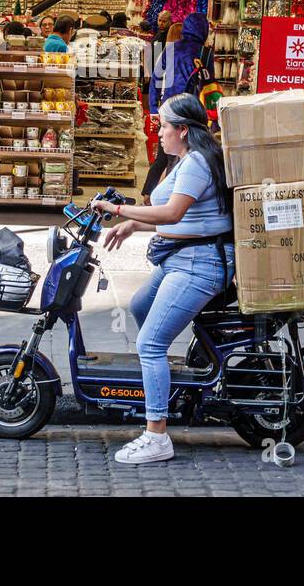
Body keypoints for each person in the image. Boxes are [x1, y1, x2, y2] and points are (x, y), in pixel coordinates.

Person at [88, 93, 234, 465]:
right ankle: (161, 382)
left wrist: (117, 209)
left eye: (164, 126)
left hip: (199, 264)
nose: (159, 132)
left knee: (149, 343)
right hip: (182, 257)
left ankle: (156, 436)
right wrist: (134, 224)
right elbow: (183, 217)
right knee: (140, 305)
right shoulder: (189, 159)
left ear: (183, 130)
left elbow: (172, 214)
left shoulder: (196, 163)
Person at [143, 13, 210, 199]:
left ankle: (156, 196)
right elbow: (209, 86)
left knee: (167, 153)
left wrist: (154, 108)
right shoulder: (205, 53)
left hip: (169, 108)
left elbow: (156, 78)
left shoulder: (171, 49)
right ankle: (172, 196)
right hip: (193, 111)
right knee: (186, 154)